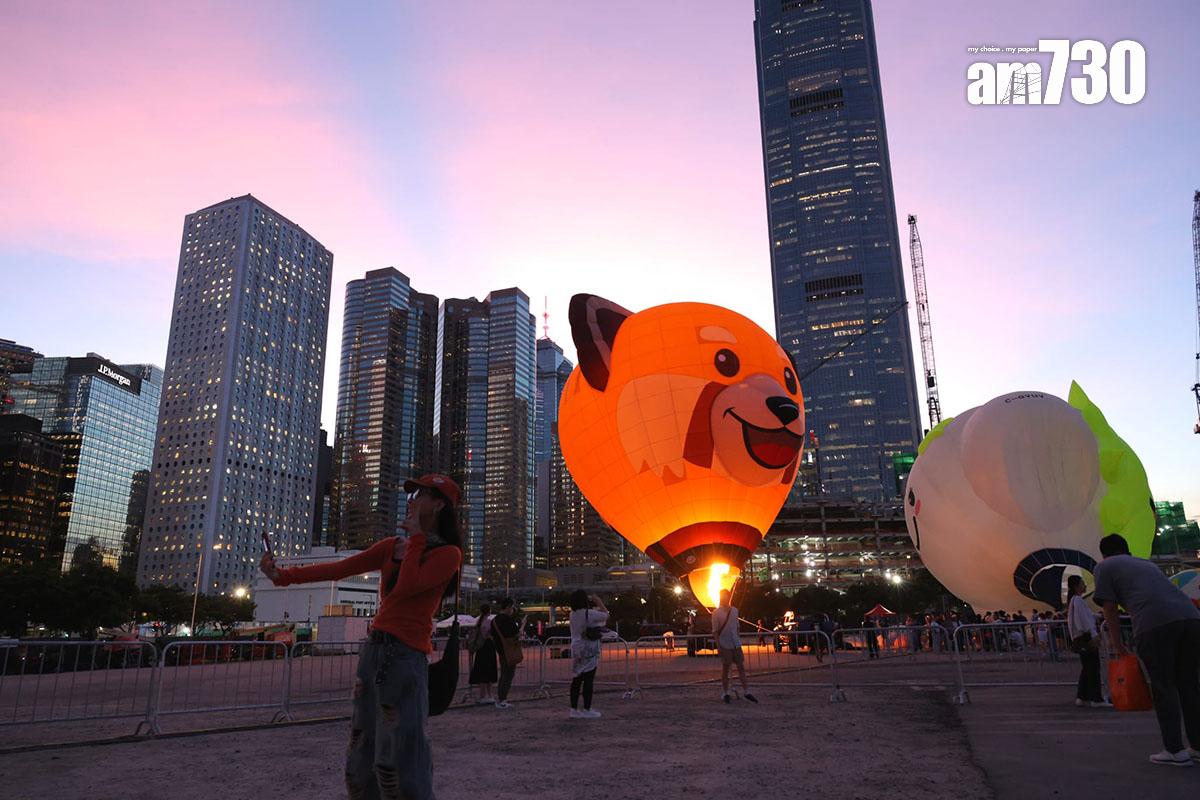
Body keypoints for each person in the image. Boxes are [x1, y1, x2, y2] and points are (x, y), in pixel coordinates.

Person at [260, 473, 462, 800]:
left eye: (421, 495)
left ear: (439, 505)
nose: (412, 500)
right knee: (361, 747)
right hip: (374, 651)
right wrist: (281, 576)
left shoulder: (449, 554)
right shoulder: (392, 547)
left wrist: (416, 538)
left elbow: (407, 587)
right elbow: (339, 569)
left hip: (406, 656)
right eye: (411, 494)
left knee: (400, 751)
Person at [1094, 533, 1200, 767]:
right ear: (1127, 549)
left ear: (1104, 553)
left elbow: (1109, 607)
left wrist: (1117, 643)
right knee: (1190, 686)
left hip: (1154, 624)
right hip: (1191, 619)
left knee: (1164, 686)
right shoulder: (1145, 564)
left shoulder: (1104, 566)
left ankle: (1174, 750)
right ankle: (1197, 746)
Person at [1066, 574, 1108, 708]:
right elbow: (1083, 620)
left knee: (1087, 668)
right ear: (1076, 586)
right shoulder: (1078, 600)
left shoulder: (1074, 600)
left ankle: (1082, 696)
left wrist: (1097, 616)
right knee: (1093, 668)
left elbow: (1084, 616)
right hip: (1086, 637)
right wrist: (1094, 634)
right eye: (1082, 583)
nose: (1084, 585)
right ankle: (1096, 699)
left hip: (1080, 638)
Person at [568, 590, 608, 718]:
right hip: (589, 649)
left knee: (576, 680)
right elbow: (606, 615)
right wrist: (598, 601)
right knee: (588, 680)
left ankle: (573, 709)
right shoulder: (589, 613)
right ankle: (587, 708)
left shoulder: (572, 614)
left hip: (576, 648)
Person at [713, 589, 757, 704]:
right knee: (725, 668)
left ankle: (746, 691)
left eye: (726, 596)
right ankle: (725, 692)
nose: (725, 598)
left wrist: (737, 637)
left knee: (741, 667)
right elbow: (715, 631)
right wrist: (719, 647)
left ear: (729, 597)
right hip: (725, 643)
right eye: (723, 596)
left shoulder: (734, 611)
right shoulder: (716, 613)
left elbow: (737, 626)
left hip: (735, 643)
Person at [491, 598, 523, 709]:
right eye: (512, 607)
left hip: (500, 649)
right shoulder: (508, 620)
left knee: (504, 674)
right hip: (509, 650)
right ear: (508, 607)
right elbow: (516, 634)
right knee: (508, 675)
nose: (513, 610)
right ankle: (502, 699)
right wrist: (522, 625)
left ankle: (501, 698)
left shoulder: (494, 621)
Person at [467, 603, 497, 705]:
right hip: (488, 647)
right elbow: (489, 635)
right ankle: (490, 695)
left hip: (481, 648)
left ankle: (482, 696)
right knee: (489, 671)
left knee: (482, 672)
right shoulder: (489, 622)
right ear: (489, 611)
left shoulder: (478, 622)